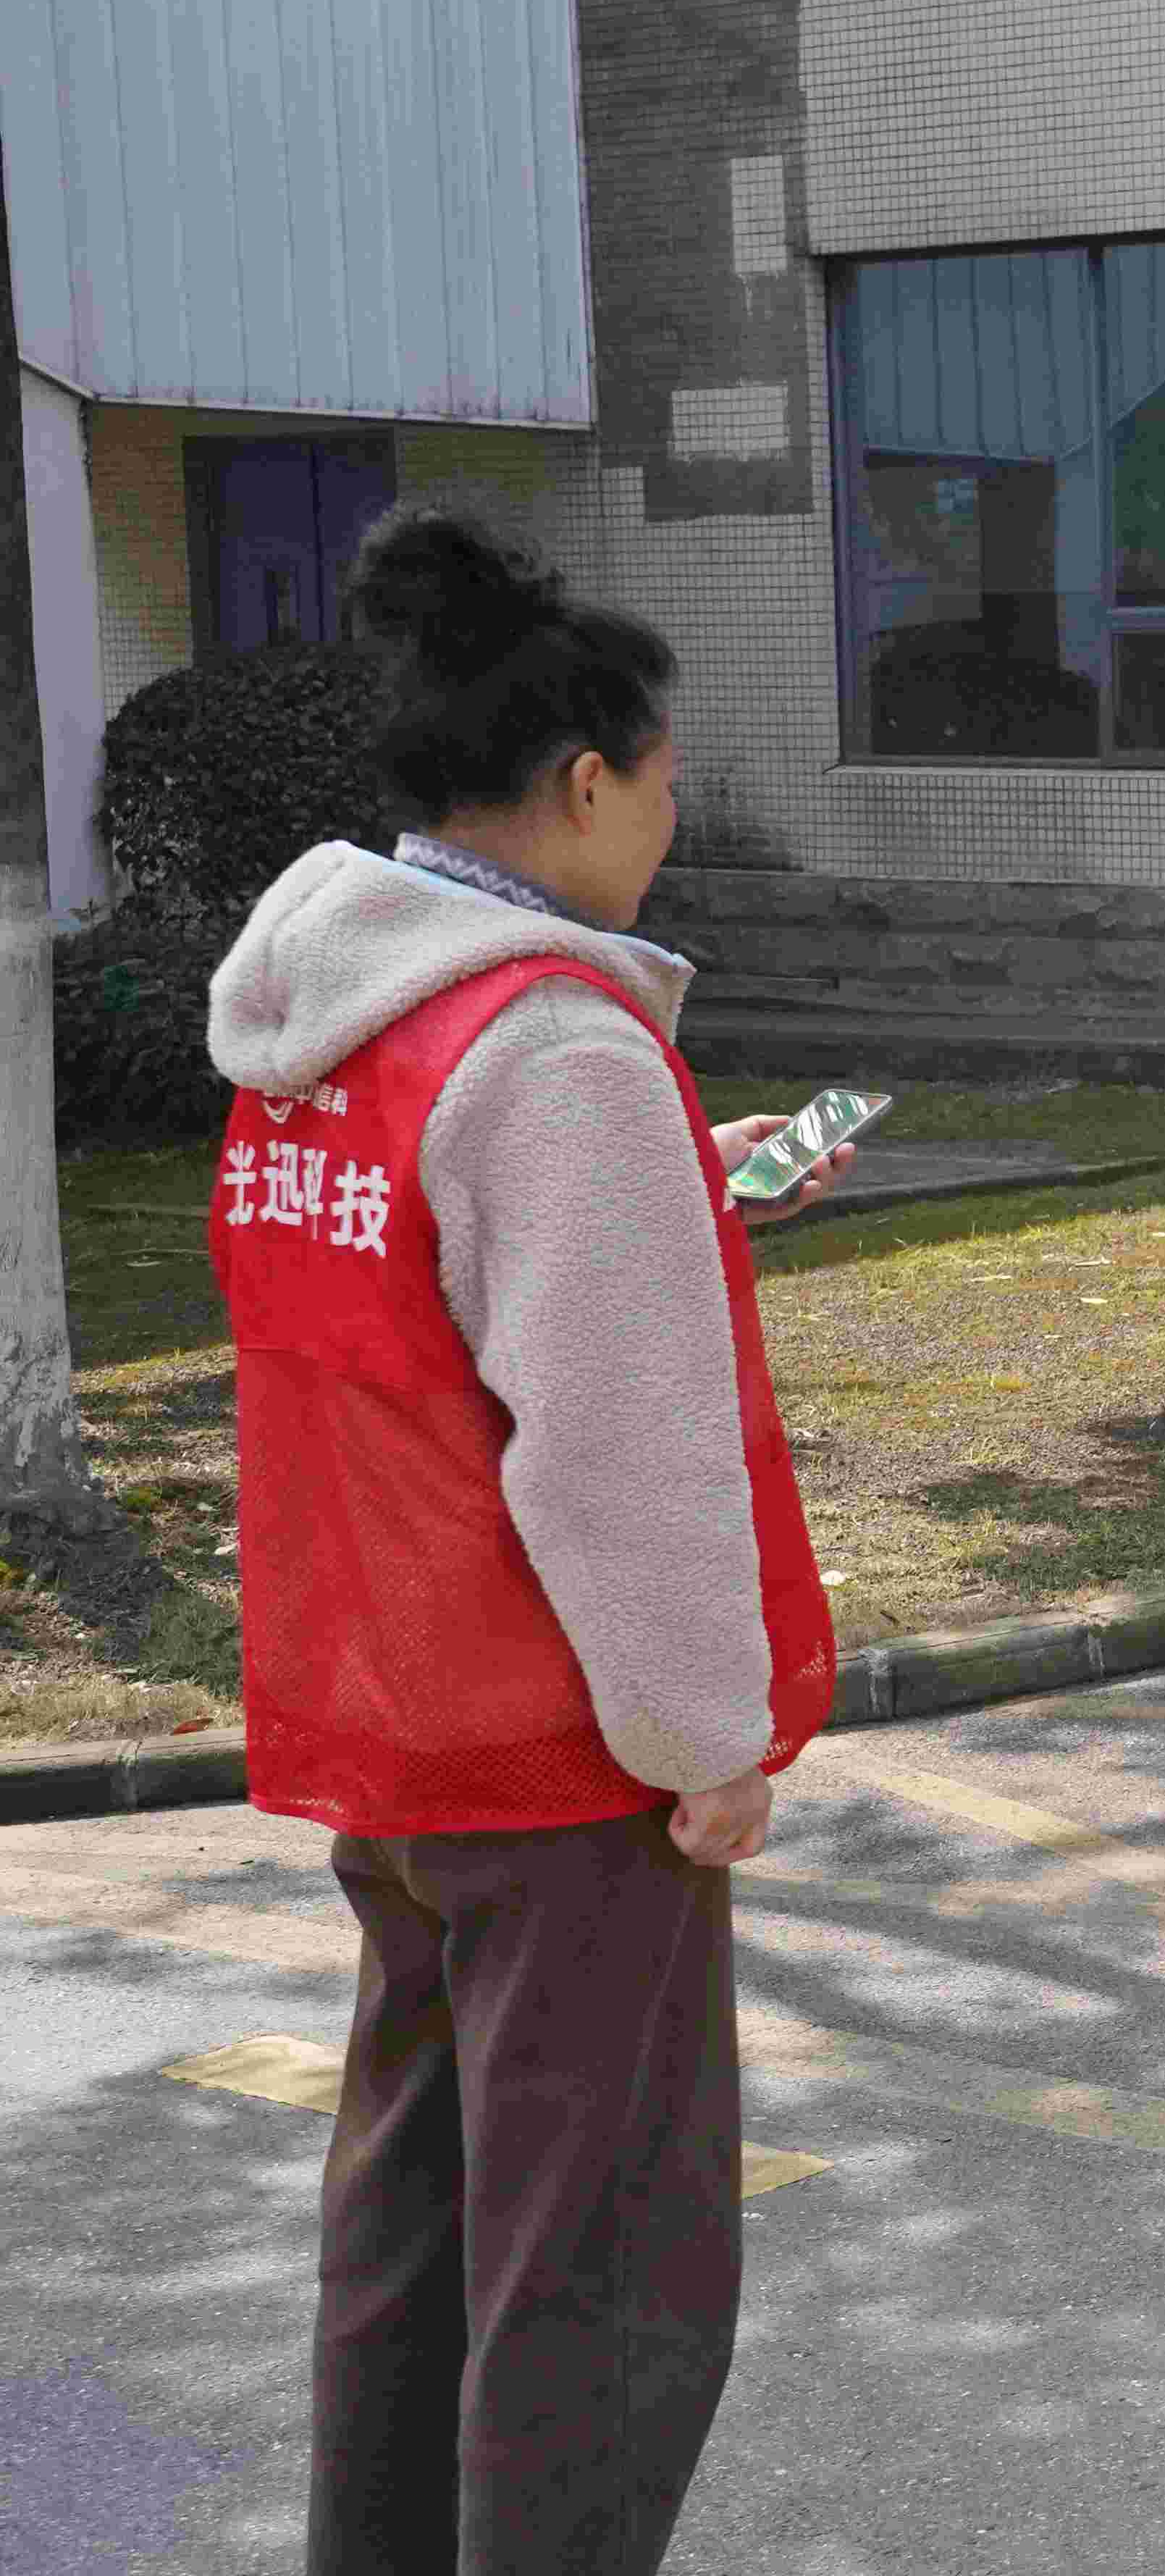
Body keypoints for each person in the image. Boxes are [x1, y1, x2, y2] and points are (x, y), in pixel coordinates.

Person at [207, 506, 854, 2576]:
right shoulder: (558, 1051)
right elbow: (613, 1458)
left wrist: (681, 1173)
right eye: (663, 783)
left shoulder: (329, 1029)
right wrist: (708, 1741)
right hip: (562, 1756)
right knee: (599, 2285)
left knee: (412, 2231)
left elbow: (422, 1309)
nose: (670, 821)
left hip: (387, 1722)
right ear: (583, 783)